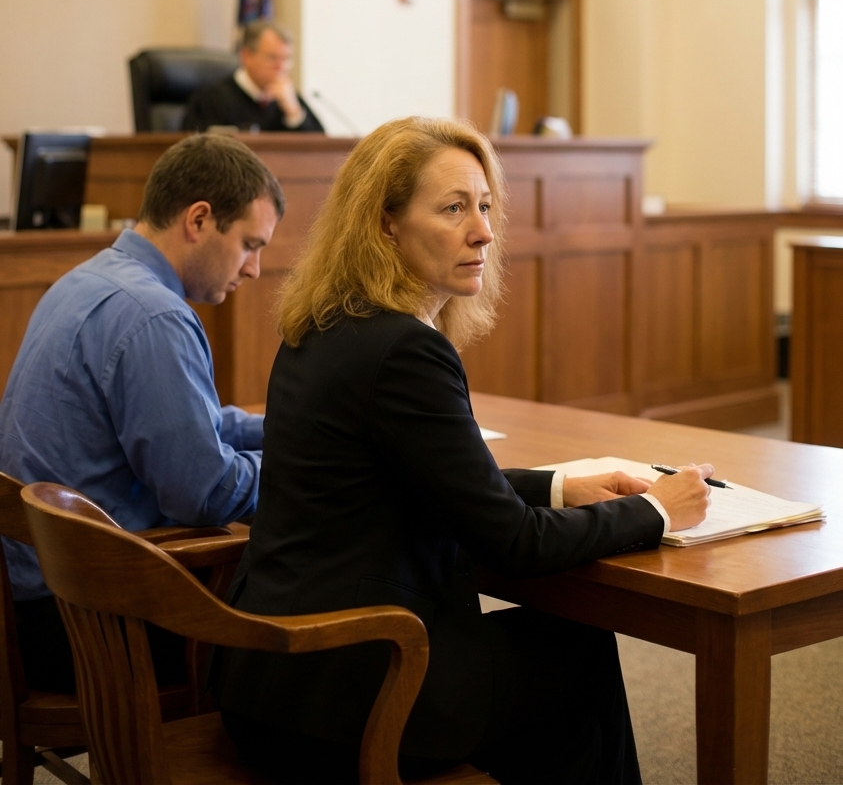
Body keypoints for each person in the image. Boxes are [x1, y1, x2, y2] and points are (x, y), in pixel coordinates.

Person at [214, 117, 712, 785]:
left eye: (483, 206)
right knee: (578, 655)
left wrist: (560, 488)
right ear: (383, 223)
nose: (482, 230)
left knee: (560, 709)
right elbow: (512, 545)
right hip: (356, 689)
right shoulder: (403, 351)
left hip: (273, 681)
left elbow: (418, 481)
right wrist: (656, 510)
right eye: (453, 209)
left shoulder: (322, 327)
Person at [0, 133, 285, 692]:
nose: (254, 269)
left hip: (36, 607)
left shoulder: (87, 281)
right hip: (90, 625)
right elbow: (205, 493)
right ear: (199, 220)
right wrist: (312, 465)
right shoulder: (154, 315)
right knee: (308, 602)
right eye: (250, 244)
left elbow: (193, 423)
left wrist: (297, 430)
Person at [182, 20, 324, 133]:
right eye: (273, 58)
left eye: (286, 59)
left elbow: (320, 150)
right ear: (246, 56)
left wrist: (294, 113)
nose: (281, 67)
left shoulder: (289, 100)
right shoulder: (213, 99)